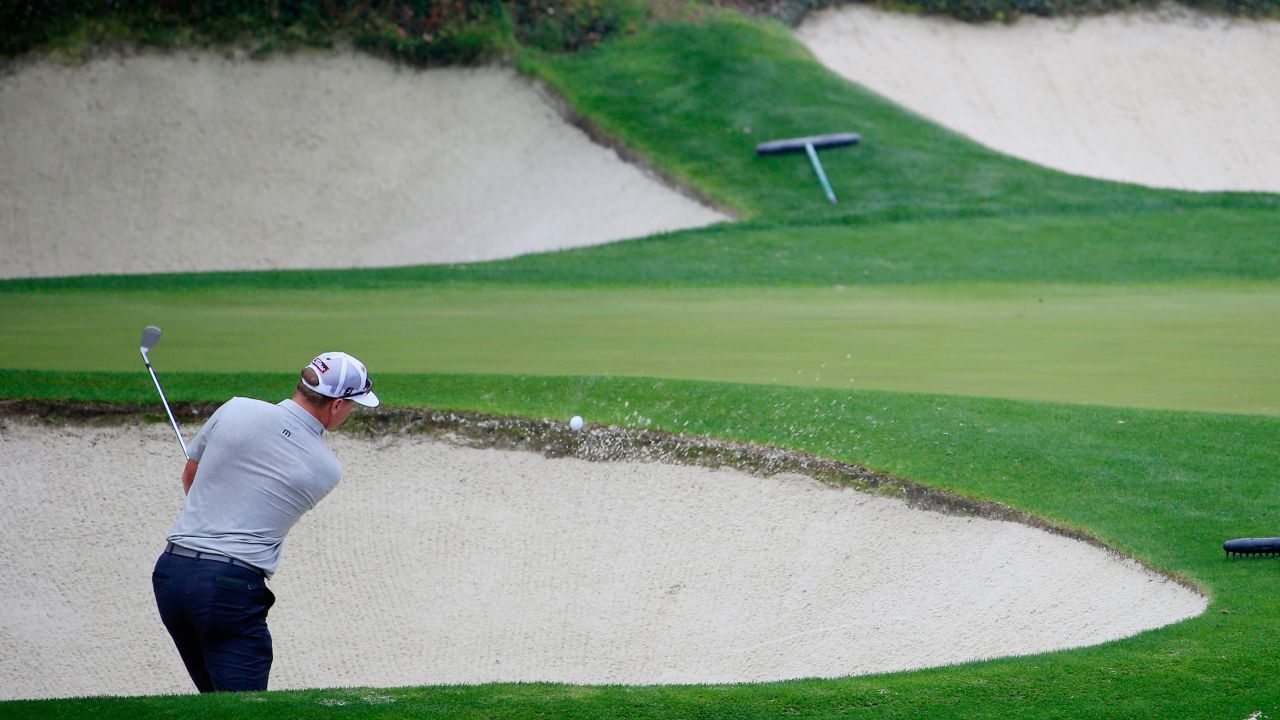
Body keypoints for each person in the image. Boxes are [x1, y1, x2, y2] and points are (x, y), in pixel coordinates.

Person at [151, 352, 379, 693]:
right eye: (352, 406)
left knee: (214, 702)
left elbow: (191, 478)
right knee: (246, 708)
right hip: (228, 586)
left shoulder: (235, 408)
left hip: (170, 574)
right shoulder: (326, 469)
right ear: (337, 405)